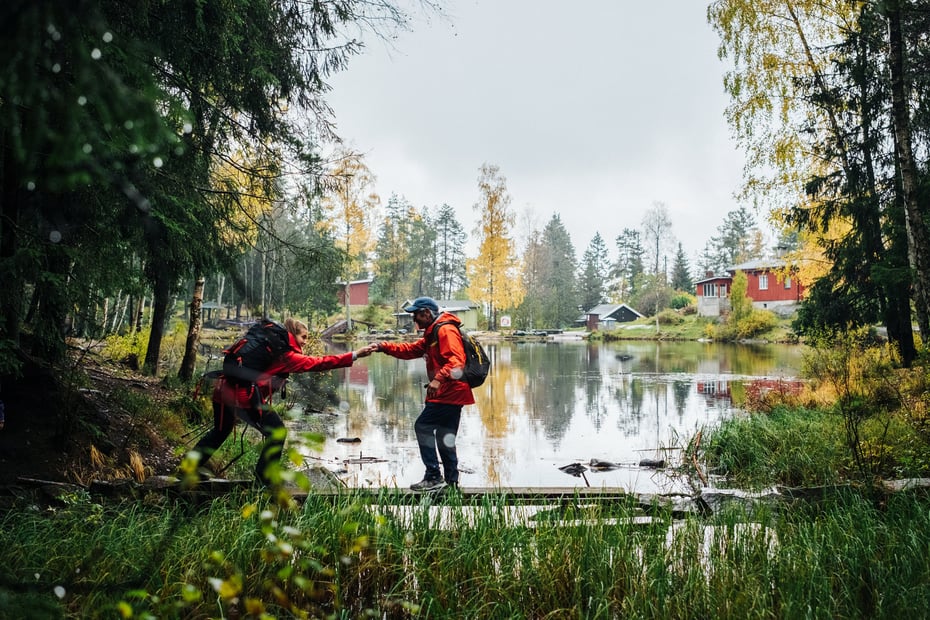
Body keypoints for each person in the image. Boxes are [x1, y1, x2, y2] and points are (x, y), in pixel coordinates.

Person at [192, 317, 376, 485]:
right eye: (303, 337)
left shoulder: (271, 346)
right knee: (277, 431)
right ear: (292, 335)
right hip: (243, 397)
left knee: (219, 432)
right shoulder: (286, 356)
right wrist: (354, 354)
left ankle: (187, 469)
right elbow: (320, 362)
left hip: (223, 391)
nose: (305, 341)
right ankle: (263, 477)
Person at [374, 297, 474, 491]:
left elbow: (457, 361)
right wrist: (383, 347)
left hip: (449, 392)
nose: (414, 320)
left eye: (416, 315)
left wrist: (438, 379)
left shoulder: (444, 330)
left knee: (423, 426)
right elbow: (411, 350)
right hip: (452, 392)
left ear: (426, 313)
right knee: (445, 436)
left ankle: (433, 475)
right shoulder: (433, 333)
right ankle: (451, 483)